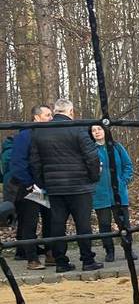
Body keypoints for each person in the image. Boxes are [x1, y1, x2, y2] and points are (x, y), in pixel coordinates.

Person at [28, 99, 102, 273]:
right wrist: (93, 177)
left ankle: (61, 261)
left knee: (57, 225)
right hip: (80, 186)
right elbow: (92, 157)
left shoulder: (40, 132)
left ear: (54, 112)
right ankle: (87, 259)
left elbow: (35, 162)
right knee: (83, 224)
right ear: (71, 112)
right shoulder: (78, 129)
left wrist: (43, 183)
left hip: (54, 187)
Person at [5, 105, 53, 268]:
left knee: (50, 221)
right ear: (37, 117)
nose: (51, 118)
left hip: (47, 186)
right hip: (29, 187)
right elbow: (17, 163)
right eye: (47, 115)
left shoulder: (50, 135)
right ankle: (32, 259)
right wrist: (29, 185)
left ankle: (50, 254)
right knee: (29, 223)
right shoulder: (24, 136)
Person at [90, 125, 134, 263]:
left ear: (105, 130)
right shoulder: (90, 149)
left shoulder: (117, 147)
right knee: (104, 224)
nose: (96, 132)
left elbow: (128, 165)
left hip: (119, 193)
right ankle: (109, 251)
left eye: (99, 129)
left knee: (124, 223)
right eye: (93, 130)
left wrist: (123, 181)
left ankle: (128, 249)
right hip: (100, 194)